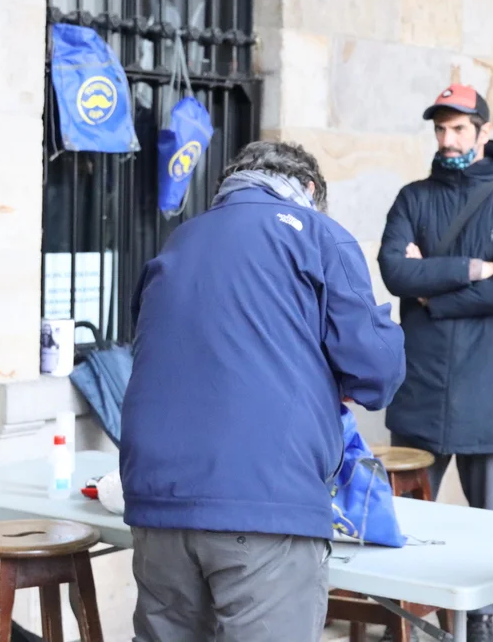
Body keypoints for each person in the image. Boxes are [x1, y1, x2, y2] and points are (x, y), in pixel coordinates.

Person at [119, 141, 406, 642]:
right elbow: (378, 371)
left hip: (158, 505)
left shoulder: (178, 240)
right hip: (266, 502)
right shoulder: (316, 233)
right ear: (310, 189)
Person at [377, 83, 493, 642]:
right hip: (420, 383)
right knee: (406, 517)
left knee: (487, 522)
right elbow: (395, 272)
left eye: (459, 128)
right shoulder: (412, 198)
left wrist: (434, 295)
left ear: (483, 132)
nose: (447, 139)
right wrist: (473, 269)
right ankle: (406, 616)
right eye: (440, 128)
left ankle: (482, 620)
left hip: (489, 386)